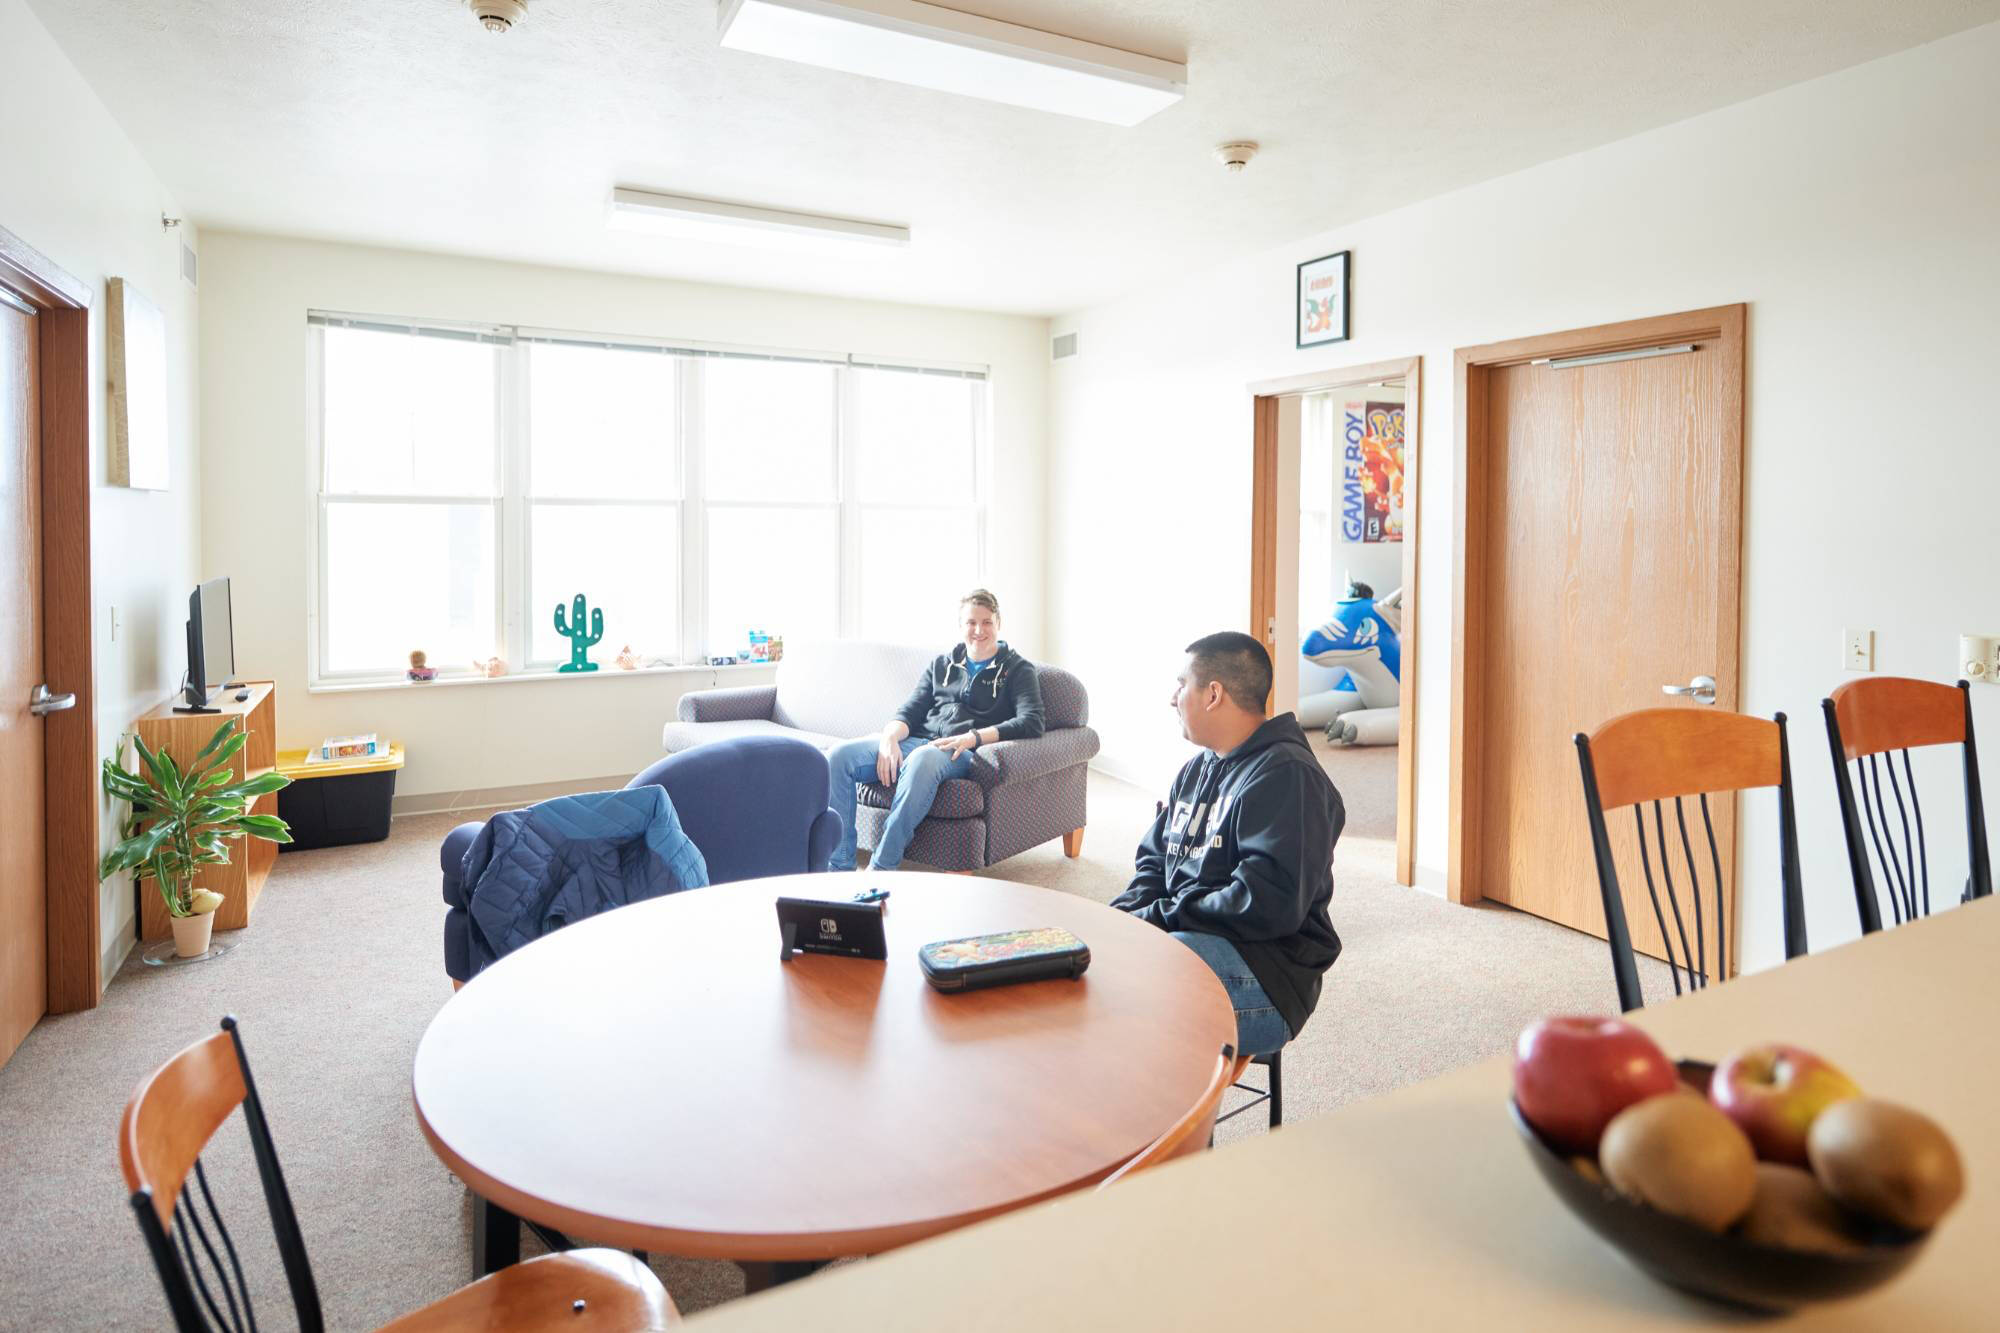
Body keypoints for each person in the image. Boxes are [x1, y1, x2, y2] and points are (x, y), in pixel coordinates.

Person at [1111, 631, 1343, 1056]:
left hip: (1268, 973)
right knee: (1096, 960)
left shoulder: (1288, 777)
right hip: (1195, 939)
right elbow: (1154, 862)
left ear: (1213, 694)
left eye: (1182, 685)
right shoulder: (1196, 768)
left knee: (1139, 984)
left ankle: (1168, 1121)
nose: (1173, 697)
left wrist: (1158, 920)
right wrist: (1125, 917)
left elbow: (1265, 903)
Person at [827, 590, 1045, 871]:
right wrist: (890, 737)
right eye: (971, 622)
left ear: (998, 623)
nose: (979, 630)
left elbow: (1032, 721)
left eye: (987, 622)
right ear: (960, 626)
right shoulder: (941, 665)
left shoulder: (1017, 669)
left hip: (961, 750)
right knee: (839, 756)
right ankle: (840, 866)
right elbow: (910, 710)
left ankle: (882, 868)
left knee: (923, 757)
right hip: (917, 740)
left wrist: (974, 738)